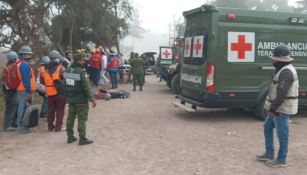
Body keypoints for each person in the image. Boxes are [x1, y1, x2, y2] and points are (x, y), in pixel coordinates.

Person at [257, 45, 299, 167]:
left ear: (280, 59)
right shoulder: (284, 69)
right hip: (279, 107)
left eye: (274, 58)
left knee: (282, 134)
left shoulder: (286, 72)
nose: (273, 60)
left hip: (282, 108)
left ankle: (281, 159)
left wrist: (273, 109)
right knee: (267, 126)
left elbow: (281, 93)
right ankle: (269, 153)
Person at [64, 53, 96, 145]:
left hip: (71, 99)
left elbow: (65, 86)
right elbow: (87, 87)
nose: (84, 61)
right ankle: (82, 138)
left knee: (70, 118)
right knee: (81, 118)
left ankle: (70, 137)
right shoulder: (81, 72)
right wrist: (92, 99)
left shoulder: (67, 71)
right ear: (78, 61)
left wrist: (67, 97)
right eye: (82, 60)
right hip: (81, 100)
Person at [40, 50, 66, 132]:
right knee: (60, 110)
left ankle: (50, 127)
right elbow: (65, 79)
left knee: (50, 110)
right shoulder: (61, 68)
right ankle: (58, 127)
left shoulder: (43, 69)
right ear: (58, 58)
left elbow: (42, 81)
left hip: (49, 92)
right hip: (60, 93)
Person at [16, 45, 37, 133]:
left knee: (23, 107)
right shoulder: (24, 65)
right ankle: (22, 127)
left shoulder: (21, 63)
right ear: (22, 54)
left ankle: (23, 126)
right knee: (23, 107)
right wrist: (29, 92)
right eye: (26, 55)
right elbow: (26, 79)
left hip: (22, 89)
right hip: (24, 89)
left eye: (29, 55)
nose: (28, 56)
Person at [2, 51, 19, 131]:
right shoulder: (14, 66)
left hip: (6, 89)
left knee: (10, 107)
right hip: (12, 90)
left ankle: (12, 124)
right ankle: (7, 125)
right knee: (12, 107)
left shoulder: (6, 67)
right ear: (15, 58)